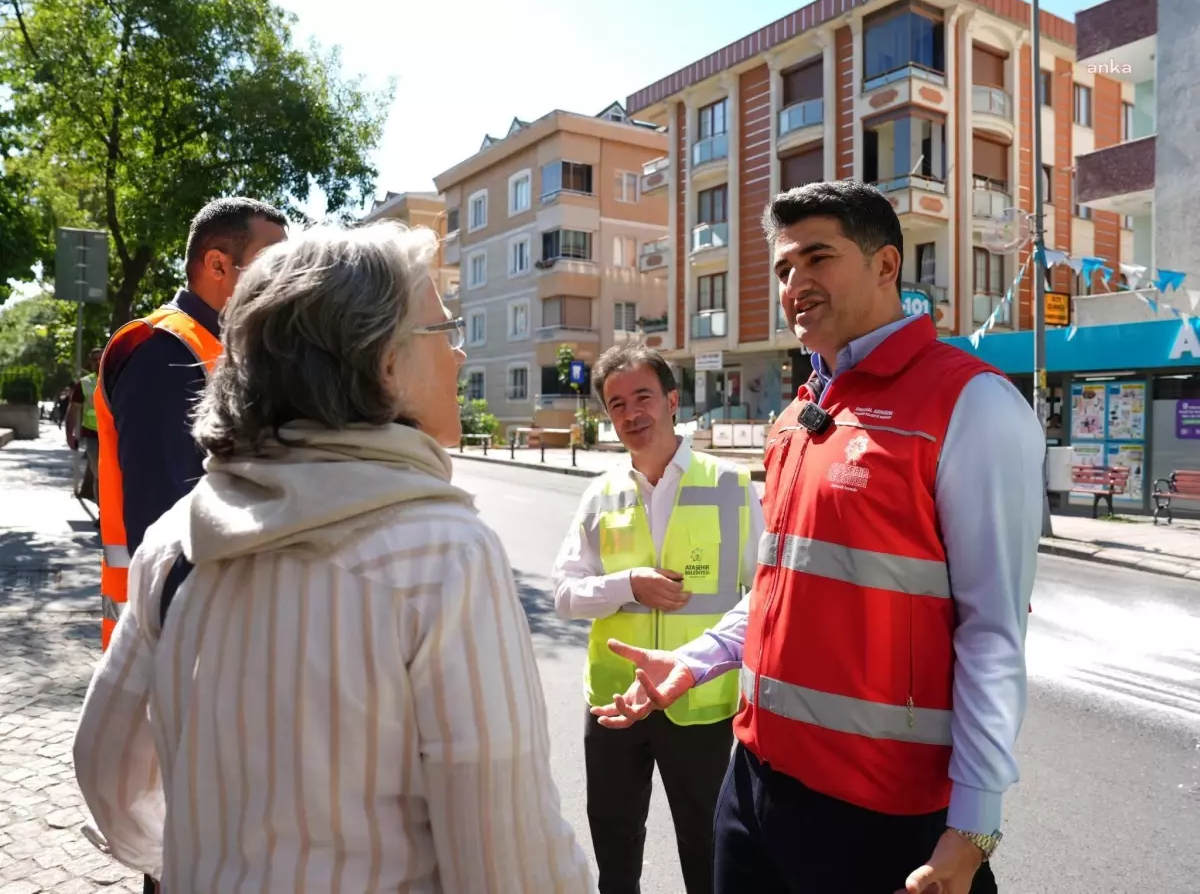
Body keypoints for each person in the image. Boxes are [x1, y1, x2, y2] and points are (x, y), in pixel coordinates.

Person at [73, 222, 595, 894]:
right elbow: (508, 865)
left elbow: (106, 772)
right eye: (445, 332)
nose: (460, 356)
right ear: (384, 364)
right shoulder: (444, 555)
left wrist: (205, 858)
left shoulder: (176, 540)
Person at [590, 181, 1044, 894]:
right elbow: (779, 587)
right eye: (782, 270)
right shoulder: (798, 415)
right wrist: (696, 660)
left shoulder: (972, 404)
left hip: (882, 814)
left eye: (817, 259)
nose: (794, 285)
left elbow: (993, 632)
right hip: (753, 787)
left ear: (886, 265)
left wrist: (975, 824)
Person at [553, 340, 764, 894]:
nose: (630, 414)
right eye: (616, 404)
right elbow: (564, 594)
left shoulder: (730, 485)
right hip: (615, 701)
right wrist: (628, 586)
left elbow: (765, 589)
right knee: (615, 845)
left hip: (697, 702)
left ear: (673, 400)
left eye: (642, 396)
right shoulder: (601, 494)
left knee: (707, 847)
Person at [93, 196, 288, 652]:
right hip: (172, 640)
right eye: (271, 264)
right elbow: (167, 522)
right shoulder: (163, 349)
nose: (285, 280)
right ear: (219, 264)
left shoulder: (221, 349)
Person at [66, 347, 104, 503]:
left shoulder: (118, 380)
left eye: (100, 358)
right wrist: (70, 434)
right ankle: (103, 514)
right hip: (93, 435)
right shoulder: (85, 383)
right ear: (90, 363)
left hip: (116, 435)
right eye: (94, 359)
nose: (97, 362)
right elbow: (73, 409)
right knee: (100, 474)